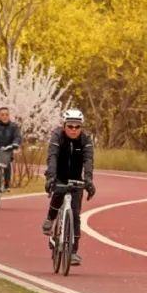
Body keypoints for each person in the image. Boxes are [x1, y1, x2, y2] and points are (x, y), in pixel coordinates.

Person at [42, 109, 96, 266]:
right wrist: (51, 177)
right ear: (64, 125)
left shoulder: (86, 140)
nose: (73, 130)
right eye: (70, 126)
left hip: (76, 179)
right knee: (58, 193)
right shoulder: (57, 137)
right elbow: (52, 156)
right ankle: (50, 219)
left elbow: (88, 160)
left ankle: (72, 252)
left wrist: (88, 180)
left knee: (75, 215)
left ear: (81, 127)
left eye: (77, 126)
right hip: (58, 176)